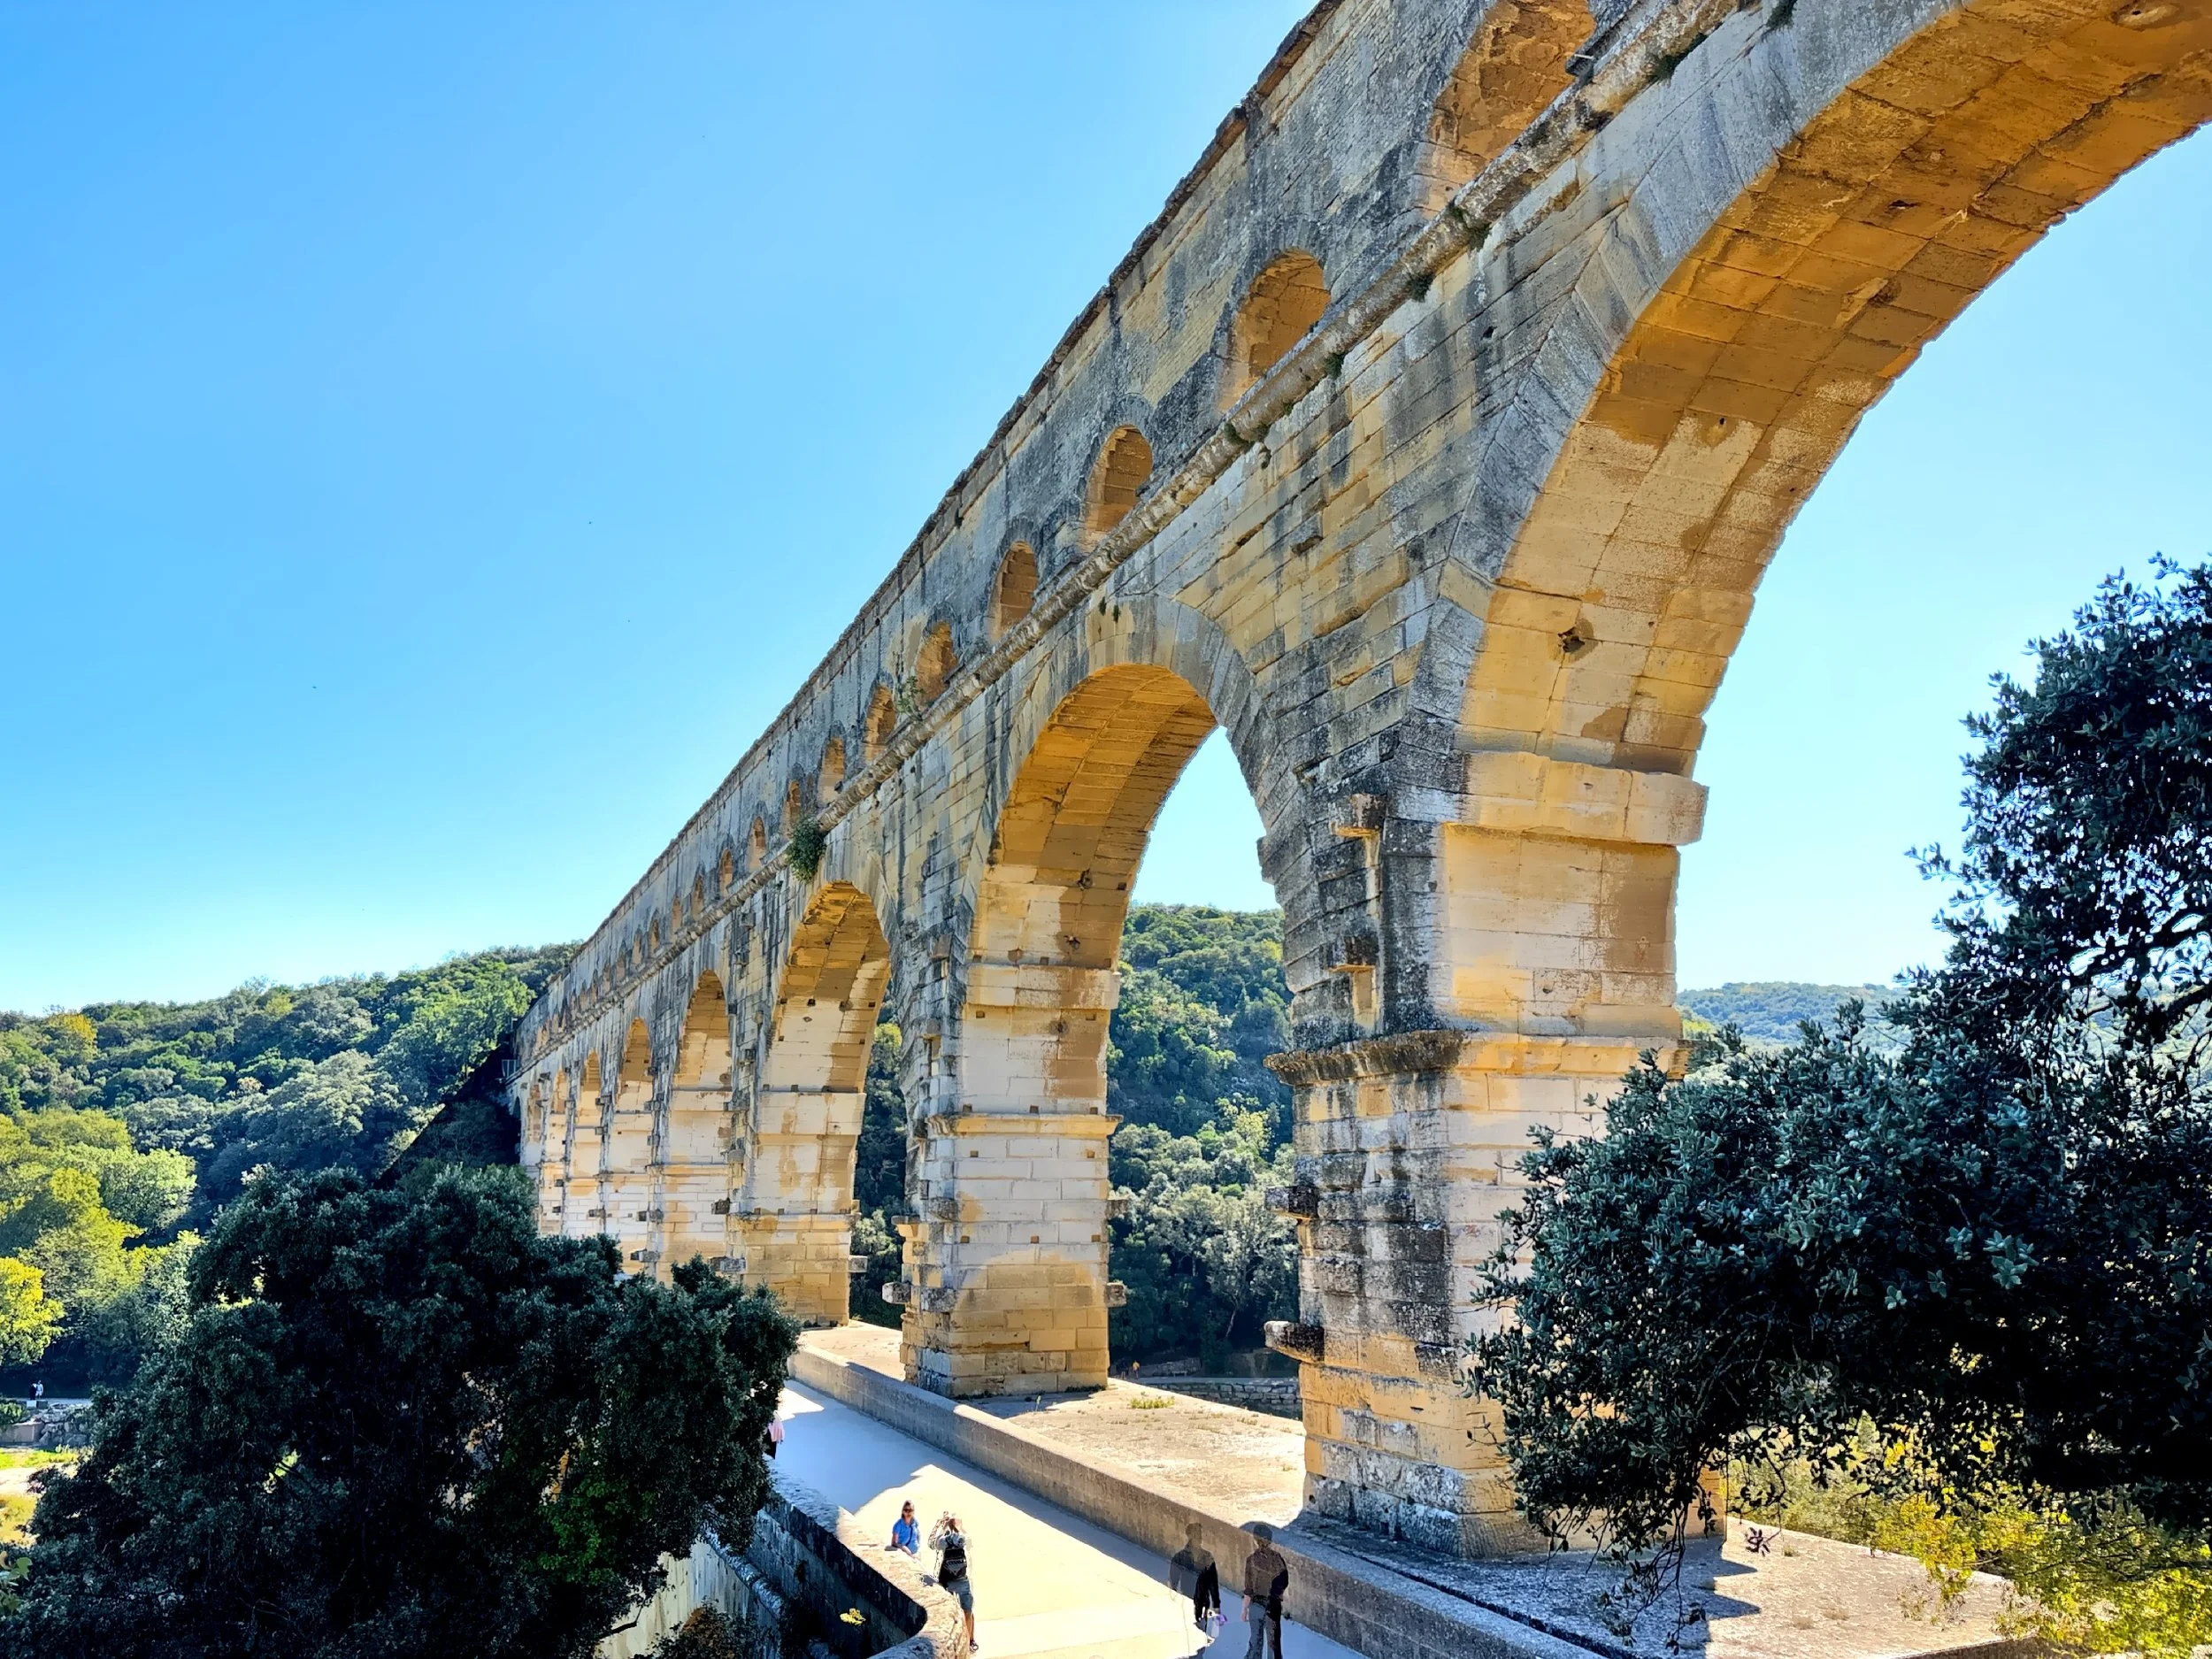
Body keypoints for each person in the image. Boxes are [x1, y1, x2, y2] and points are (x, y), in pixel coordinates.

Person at [930, 1511, 977, 1653]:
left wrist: (940, 1525)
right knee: (968, 1610)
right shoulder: (965, 1538)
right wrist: (956, 1526)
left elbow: (931, 1543)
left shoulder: (943, 1541)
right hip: (962, 1579)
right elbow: (966, 1538)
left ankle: (964, 1642)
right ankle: (970, 1641)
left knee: (950, 1612)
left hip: (947, 1581)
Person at [1240, 1522, 1287, 1659]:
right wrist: (1277, 1594)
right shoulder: (1277, 1559)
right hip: (1273, 1605)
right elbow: (1284, 1581)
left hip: (1256, 1605)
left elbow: (1248, 1589)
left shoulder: (1251, 1560)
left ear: (1256, 1540)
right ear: (1270, 1540)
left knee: (1256, 1640)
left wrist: (1244, 1610)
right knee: (1274, 1644)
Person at [1167, 1521, 1220, 1641]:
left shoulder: (1207, 1557)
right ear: (1190, 1535)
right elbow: (1173, 1583)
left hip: (1203, 1601)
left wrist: (1216, 1604)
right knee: (1187, 1636)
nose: (1200, 1536)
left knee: (1200, 1636)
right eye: (1196, 1533)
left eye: (1200, 1533)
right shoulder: (1180, 1557)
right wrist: (1174, 1604)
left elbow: (1213, 1582)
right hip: (1187, 1600)